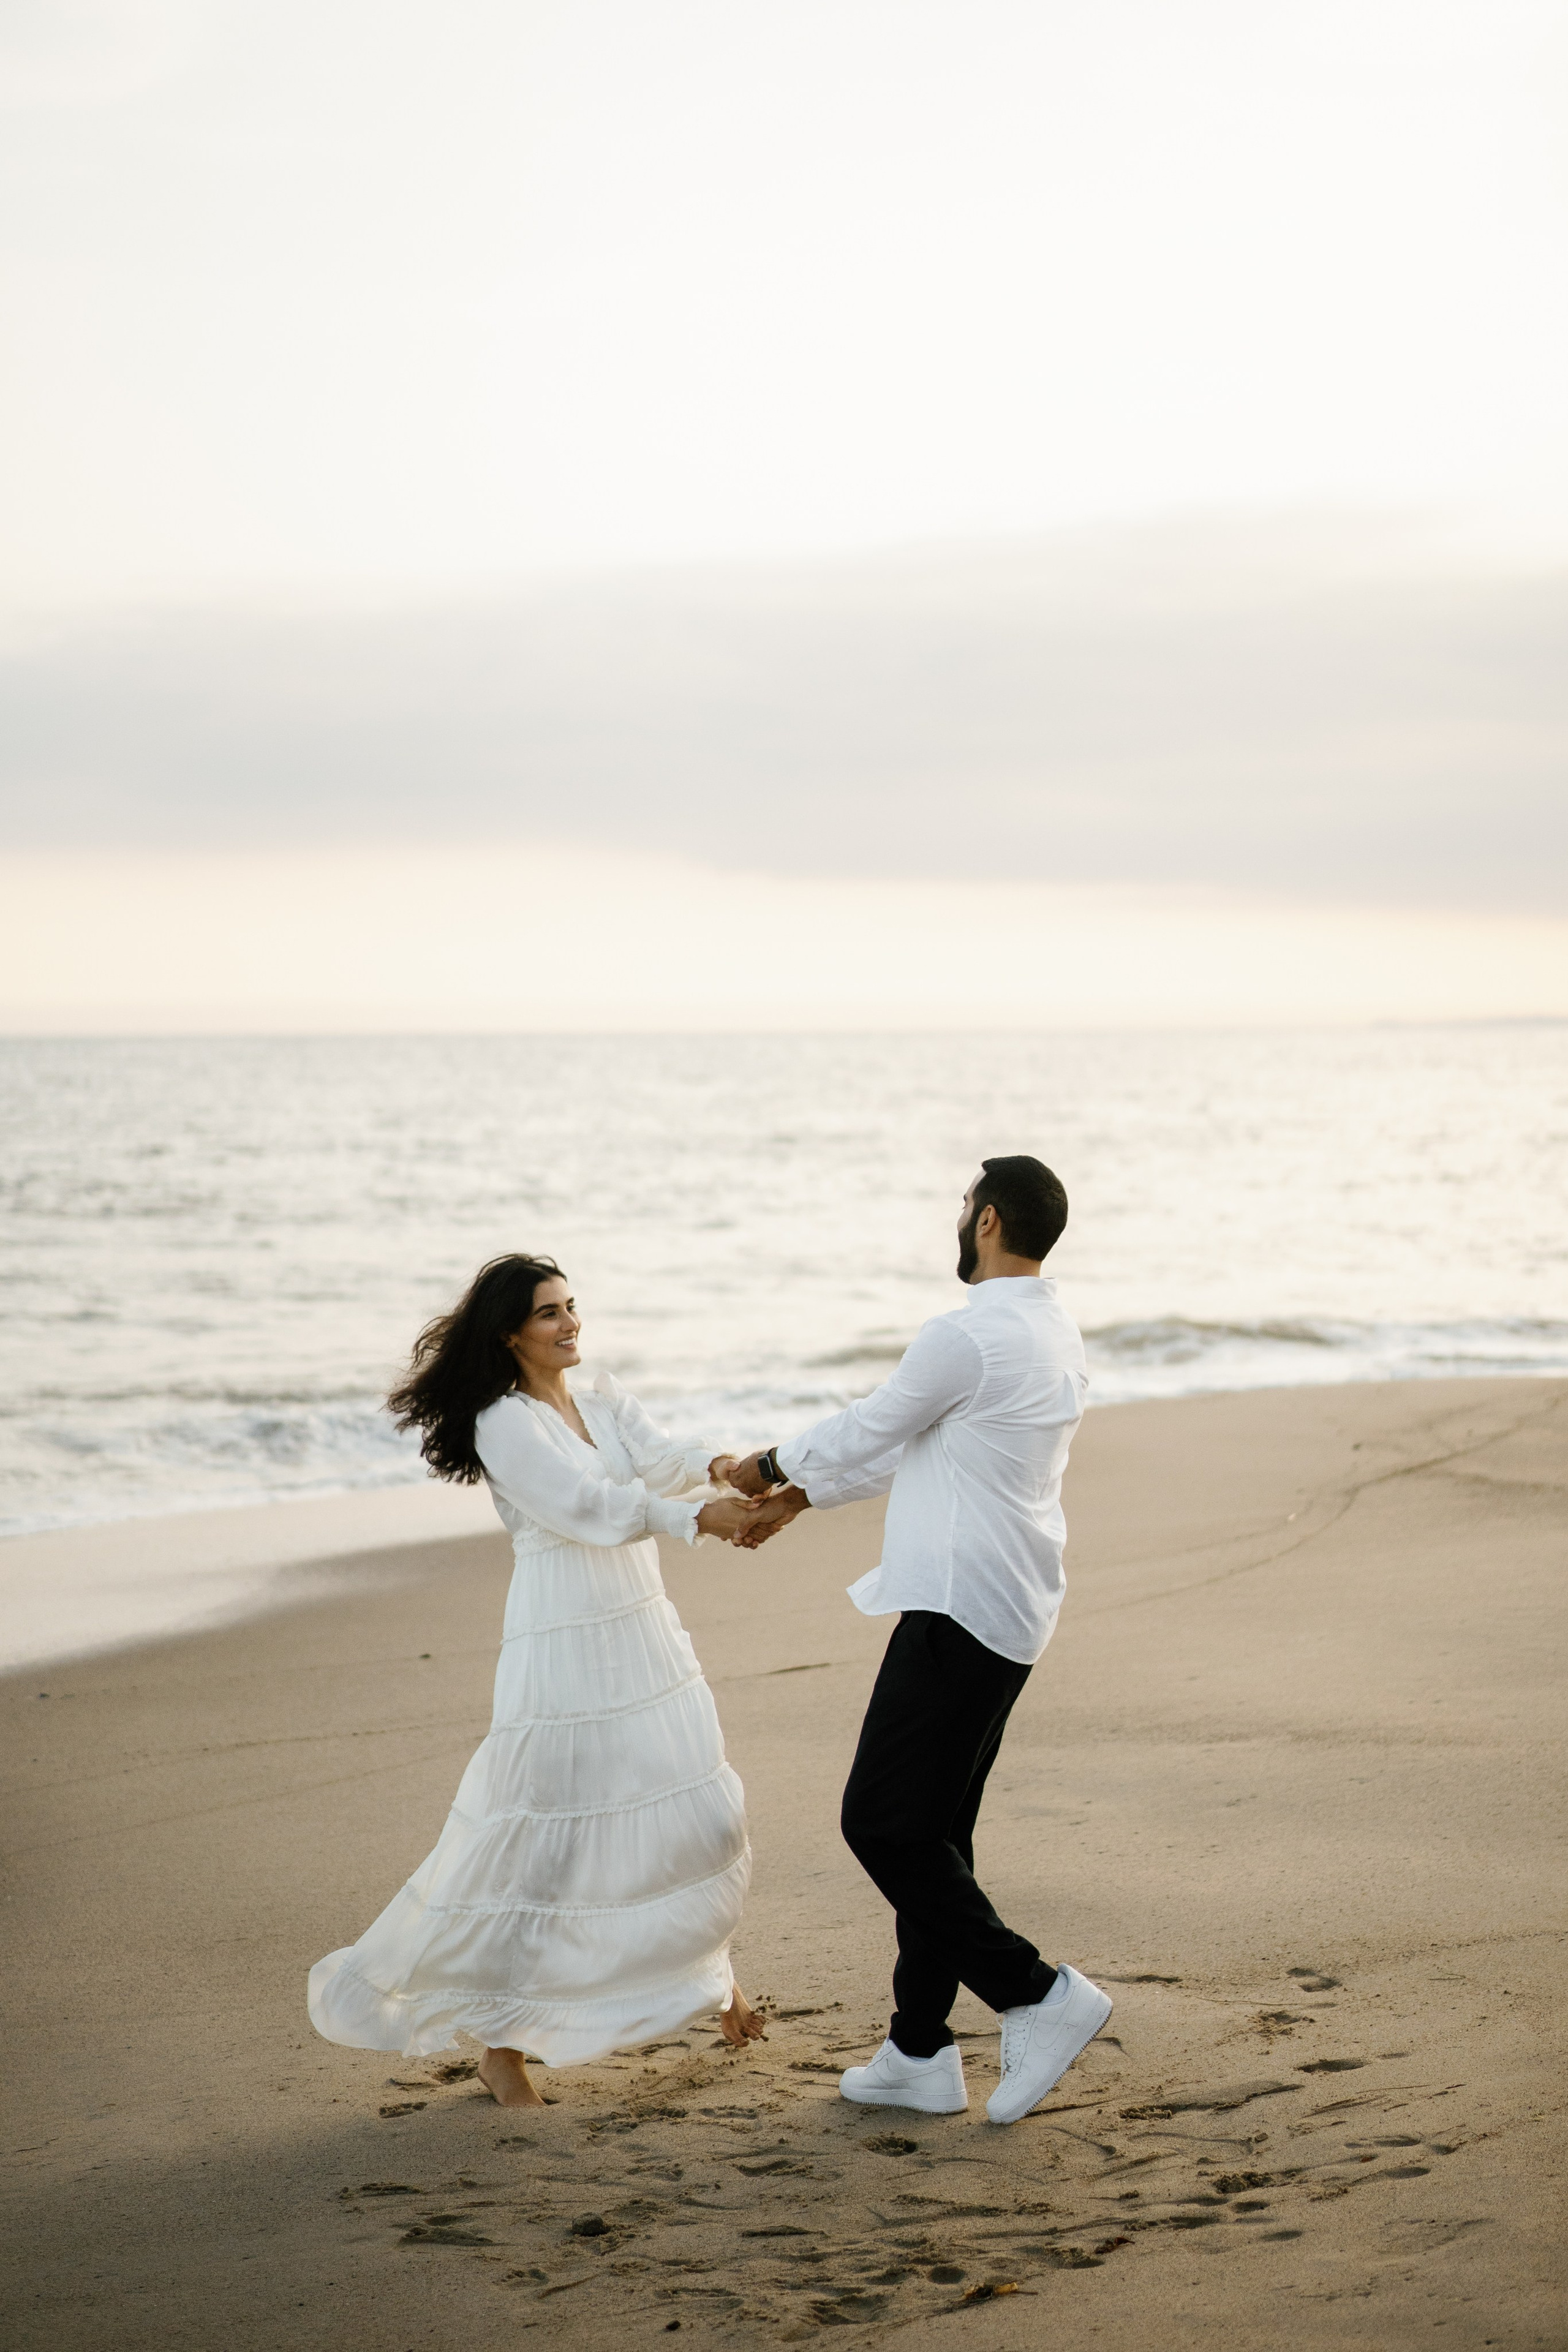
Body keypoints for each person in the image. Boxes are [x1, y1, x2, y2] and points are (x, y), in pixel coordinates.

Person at [307, 1253, 768, 2108]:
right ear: (512, 1331)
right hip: (564, 1636)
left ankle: (705, 1976)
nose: (571, 1324)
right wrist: (693, 1518)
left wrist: (724, 1470)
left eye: (572, 1306)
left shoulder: (599, 1398)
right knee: (550, 1843)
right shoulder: (502, 1423)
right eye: (551, 1314)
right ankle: (503, 2049)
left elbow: (661, 1459)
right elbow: (588, 1509)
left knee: (693, 1807)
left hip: (638, 1626)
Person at [727, 1155, 1110, 2125]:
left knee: (883, 1823)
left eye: (963, 1207)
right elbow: (925, 1444)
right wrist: (803, 1497)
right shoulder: (1053, 1330)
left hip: (959, 1606)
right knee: (936, 1834)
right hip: (1011, 1604)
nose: (959, 1220)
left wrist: (764, 1465)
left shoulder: (969, 1331)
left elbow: (878, 1423)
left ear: (986, 1221)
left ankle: (1036, 1994)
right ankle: (917, 2050)